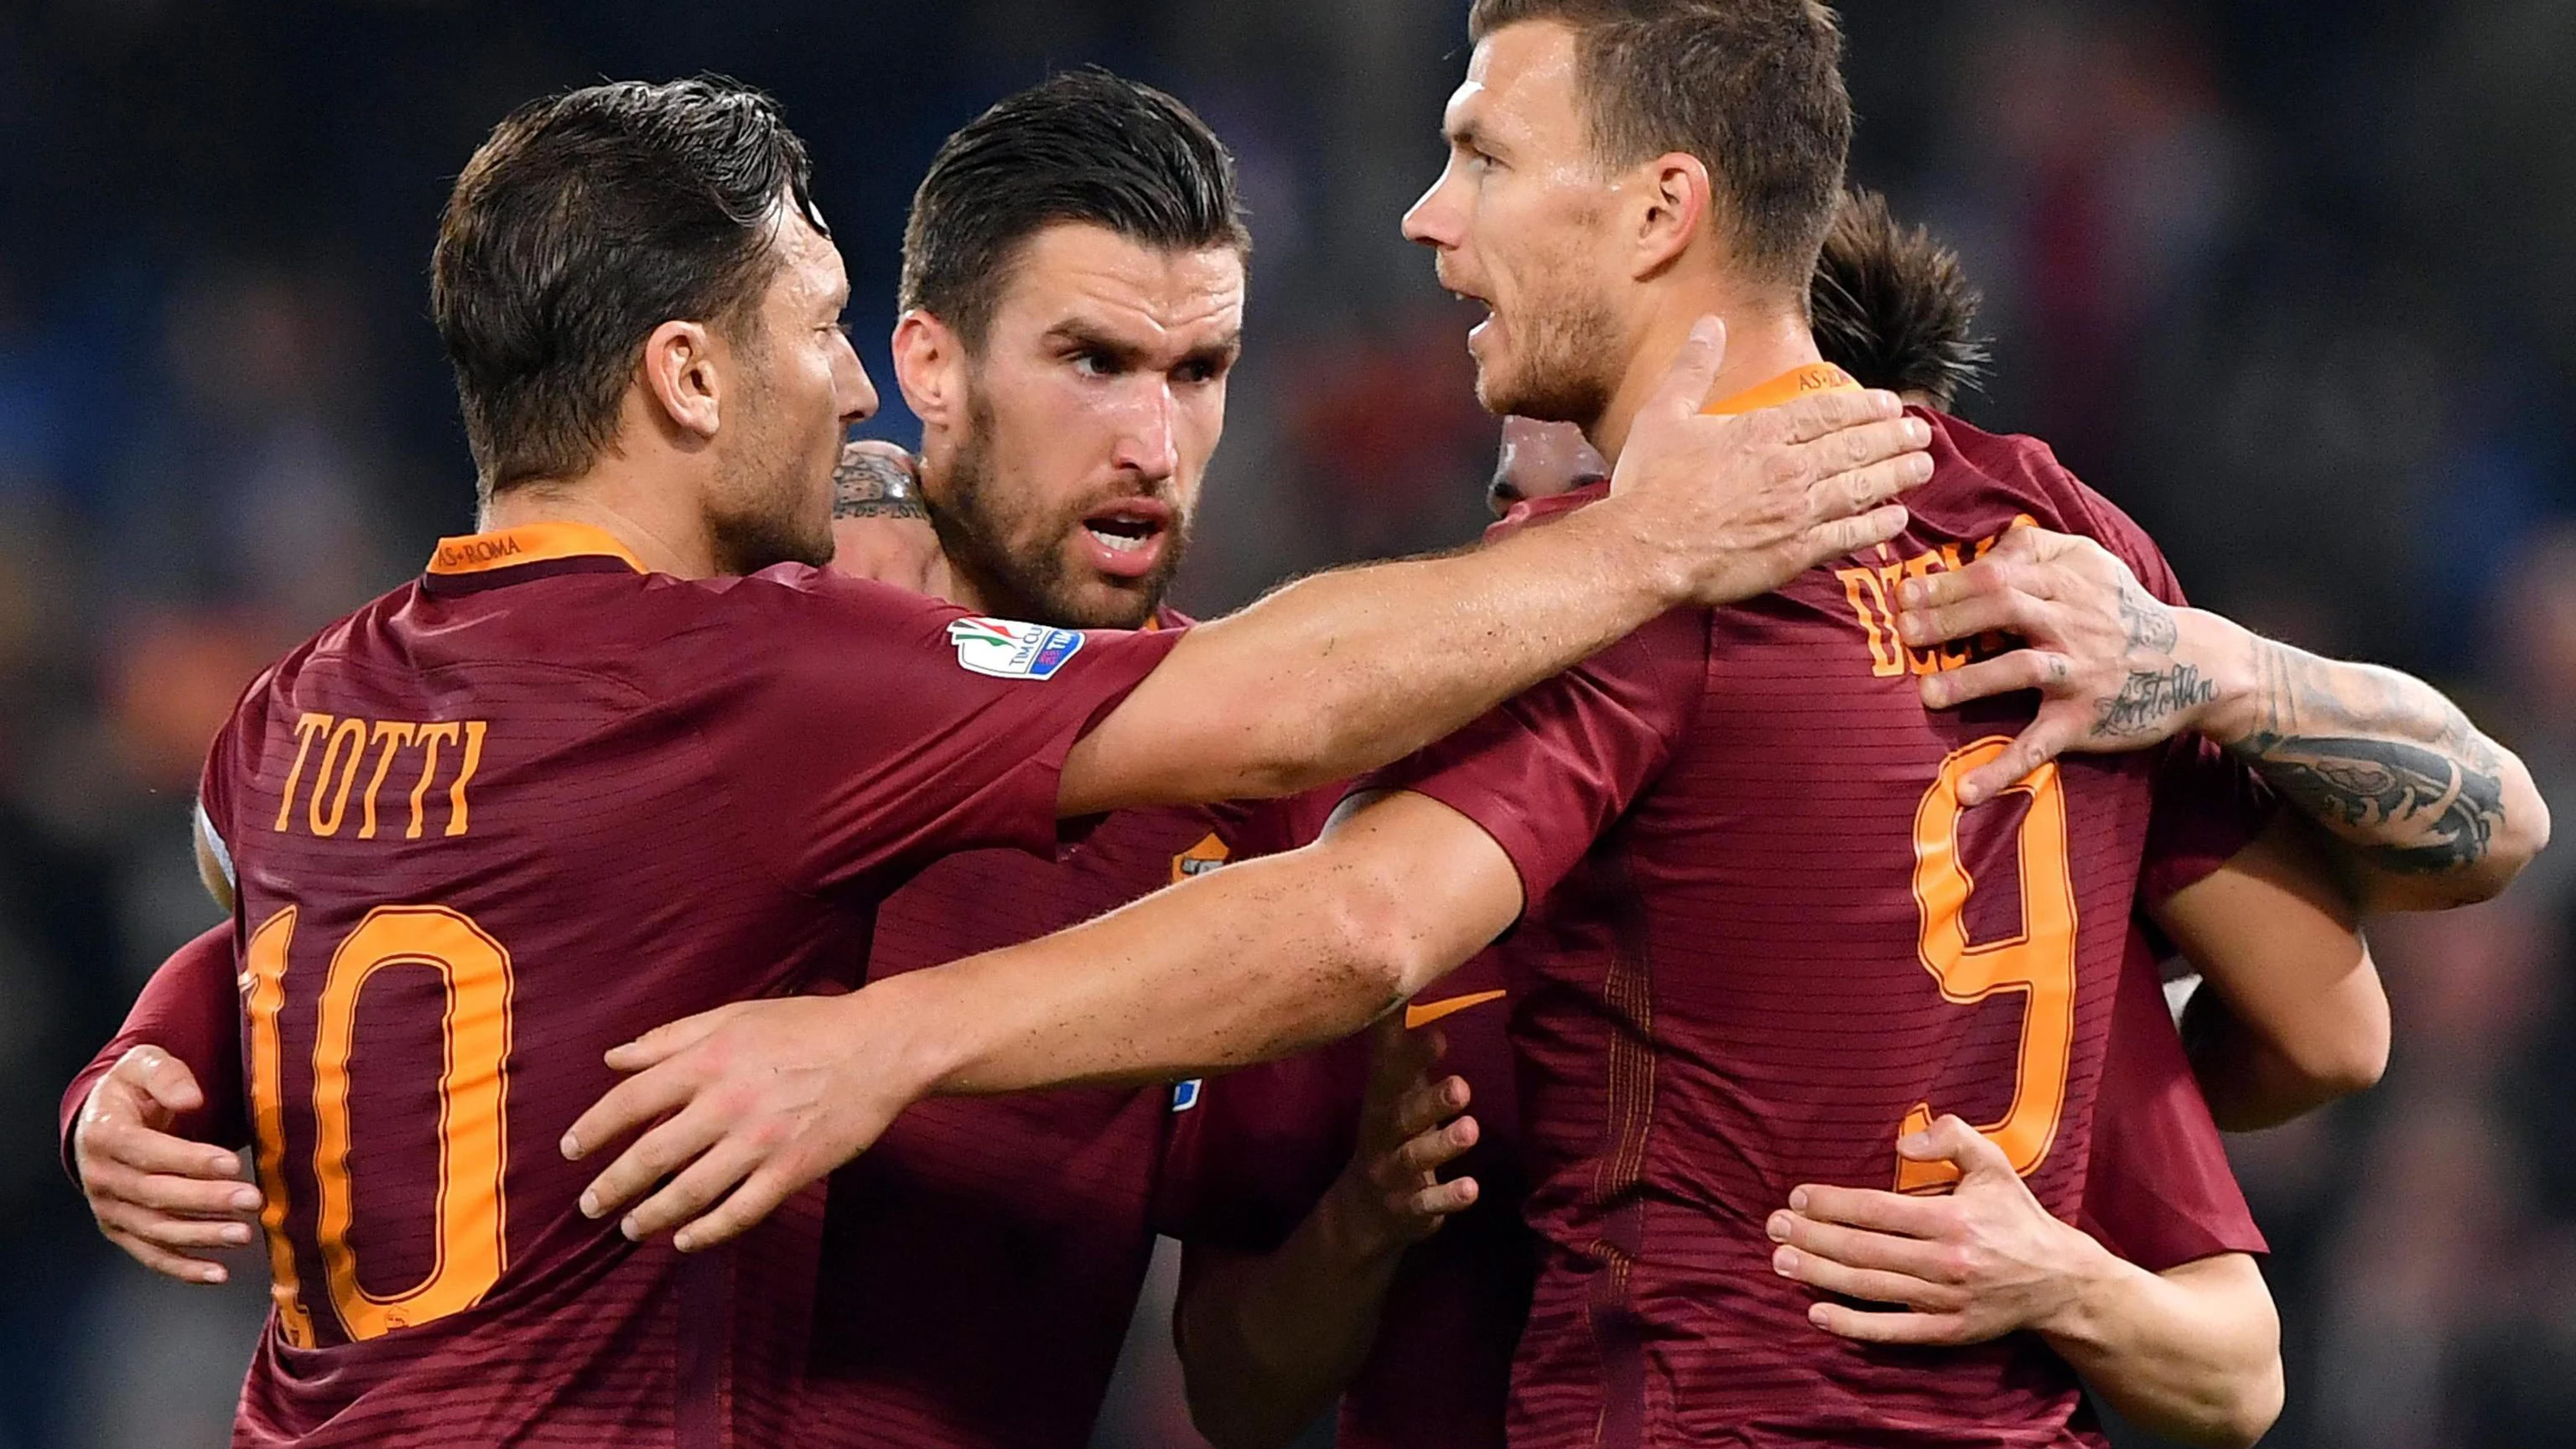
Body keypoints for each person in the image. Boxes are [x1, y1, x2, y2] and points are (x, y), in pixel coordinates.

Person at [564, 8, 2543, 1446]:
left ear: (1664, 208)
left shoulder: (1650, 586)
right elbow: (2346, 1002)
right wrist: (2212, 673)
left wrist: (869, 1048)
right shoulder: (2057, 552)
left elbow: (1355, 925)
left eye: (1485, 157)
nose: (1433, 220)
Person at [75, 67, 1937, 1445]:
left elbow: (1244, 1377)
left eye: (1197, 374)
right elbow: (1299, 715)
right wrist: (1651, 543)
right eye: (1092, 363)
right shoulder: (767, 657)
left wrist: (152, 1055)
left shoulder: (369, 683)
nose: (1152, 438)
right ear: (926, 361)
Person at [1158, 187, 2378, 1449]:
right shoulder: (1353, 827)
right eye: (1510, 513)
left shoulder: (1963, 919)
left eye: (1590, 501)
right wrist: (1365, 1214)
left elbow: (2242, 1362)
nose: (1549, 557)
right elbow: (1234, 1393)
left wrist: (2063, 1282)